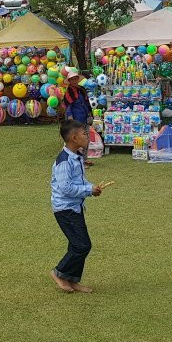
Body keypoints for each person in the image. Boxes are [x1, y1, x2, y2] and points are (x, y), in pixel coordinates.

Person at [49, 119, 106, 294]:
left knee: (76, 244)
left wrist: (91, 188)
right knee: (82, 245)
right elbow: (65, 188)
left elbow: (78, 182)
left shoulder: (77, 156)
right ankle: (58, 272)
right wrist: (88, 190)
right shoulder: (64, 161)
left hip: (75, 207)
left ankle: (72, 280)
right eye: (84, 134)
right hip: (65, 209)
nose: (88, 137)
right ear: (73, 137)